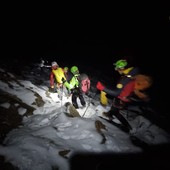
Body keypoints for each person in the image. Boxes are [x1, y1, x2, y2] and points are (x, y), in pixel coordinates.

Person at [96, 58, 152, 132]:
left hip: (122, 98)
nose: (116, 70)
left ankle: (128, 127)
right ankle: (109, 114)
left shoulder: (126, 78)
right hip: (125, 96)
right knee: (114, 108)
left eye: (117, 68)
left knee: (116, 111)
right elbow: (122, 88)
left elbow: (116, 92)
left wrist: (102, 87)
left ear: (122, 68)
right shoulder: (131, 74)